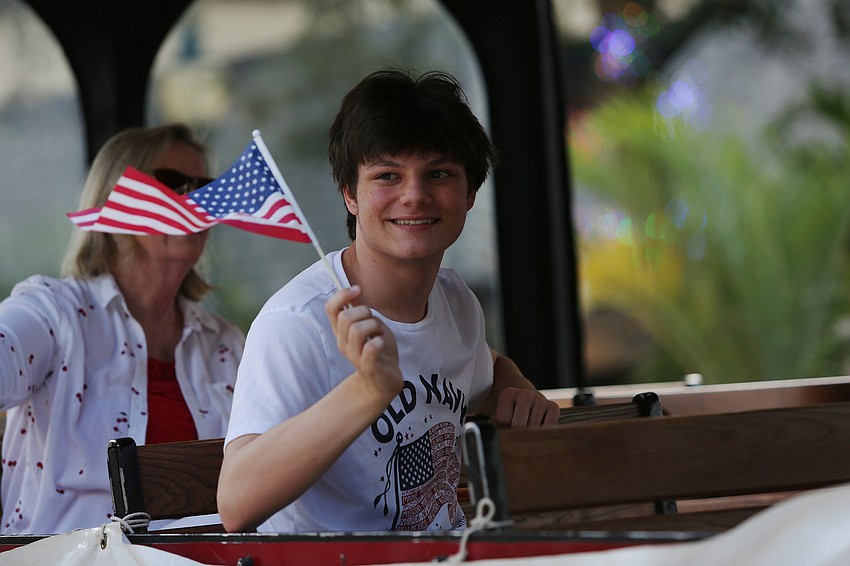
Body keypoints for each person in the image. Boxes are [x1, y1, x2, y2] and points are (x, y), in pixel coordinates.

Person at [217, 69, 560, 534]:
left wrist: (516, 385)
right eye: (387, 175)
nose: (415, 195)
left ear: (470, 193)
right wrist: (368, 390)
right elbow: (236, 502)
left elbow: (487, 368)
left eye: (438, 173)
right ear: (349, 195)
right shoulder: (298, 322)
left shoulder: (456, 299)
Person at [0, 124, 245, 534]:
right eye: (170, 183)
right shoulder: (54, 312)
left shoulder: (227, 343)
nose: (191, 200)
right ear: (115, 201)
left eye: (203, 187)